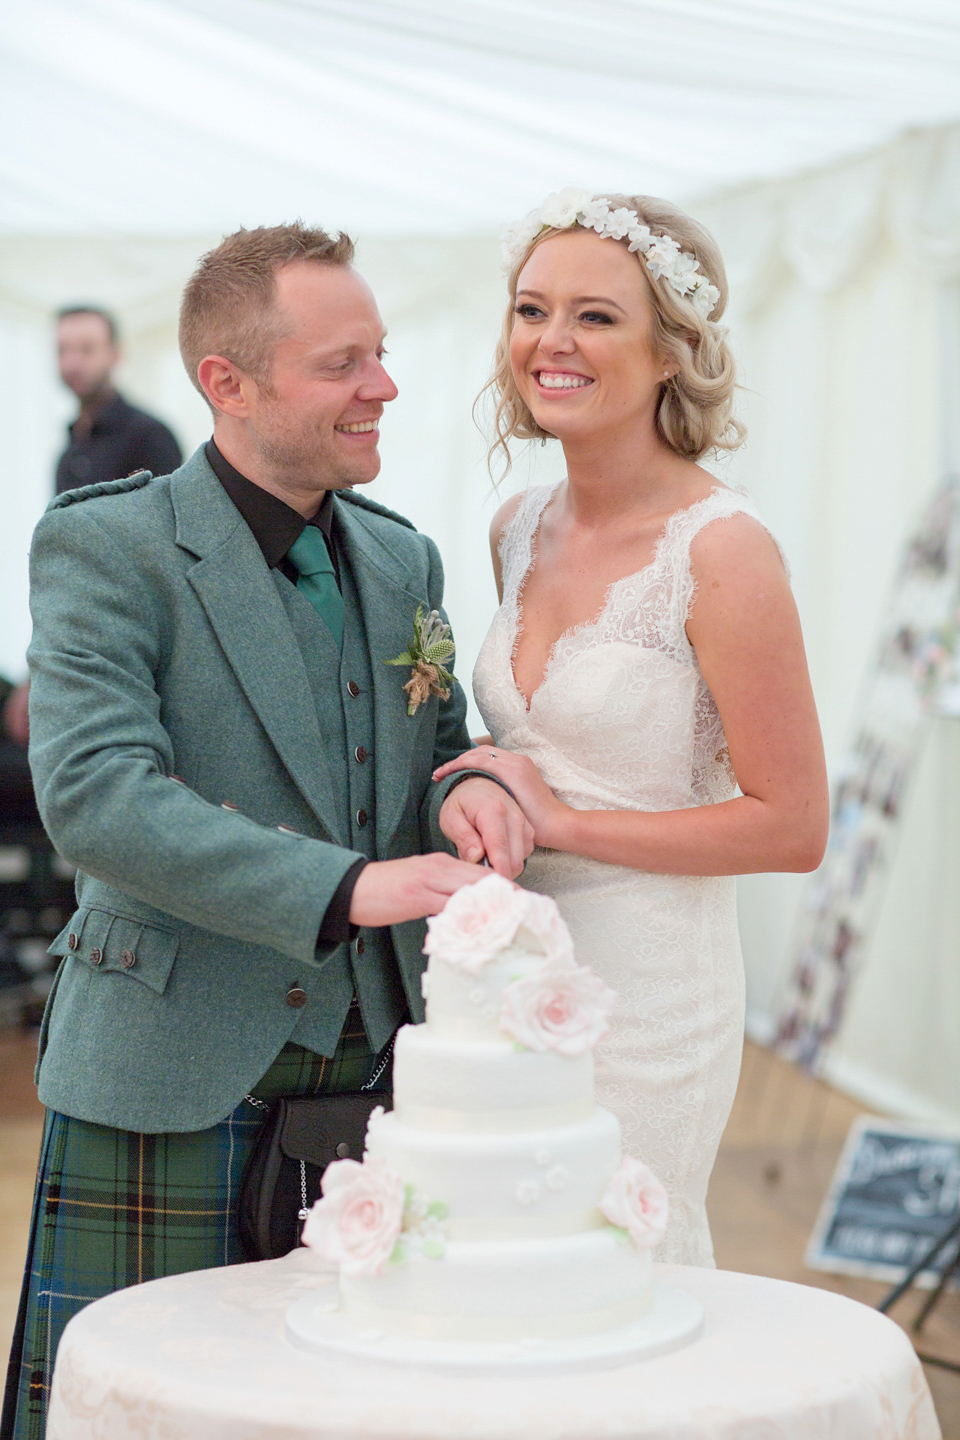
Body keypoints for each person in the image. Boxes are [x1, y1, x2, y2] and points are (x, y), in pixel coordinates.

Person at [2, 223, 532, 1440]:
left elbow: (430, 743)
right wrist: (352, 885)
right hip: (171, 1068)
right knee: (149, 1412)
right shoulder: (108, 543)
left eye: (383, 355)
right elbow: (95, 797)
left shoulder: (405, 560)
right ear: (226, 384)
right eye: (343, 363)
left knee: (353, 1409)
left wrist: (466, 787)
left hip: (384, 1078)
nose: (385, 387)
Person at [434, 189, 829, 1267]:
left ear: (671, 353)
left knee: (611, 1273)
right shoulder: (514, 527)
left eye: (596, 316)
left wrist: (562, 821)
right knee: (501, 1262)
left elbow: (792, 827)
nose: (551, 342)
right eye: (530, 309)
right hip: (505, 962)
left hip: (649, 990)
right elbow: (516, 750)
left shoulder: (722, 549)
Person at [55, 305, 182, 494]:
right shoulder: (72, 445)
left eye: (87, 349)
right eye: (63, 350)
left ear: (115, 354)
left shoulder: (150, 436)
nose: (72, 363)